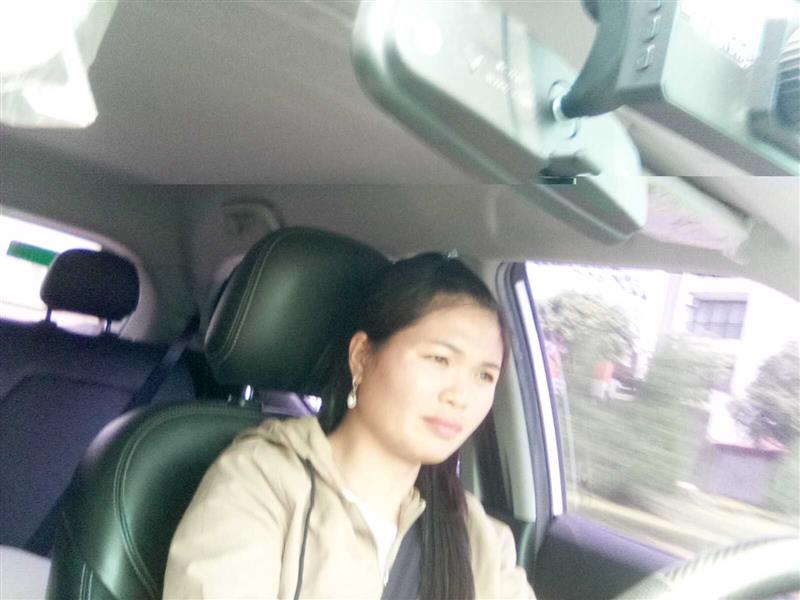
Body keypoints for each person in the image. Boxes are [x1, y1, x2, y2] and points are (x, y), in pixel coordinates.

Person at [163, 253, 536, 599]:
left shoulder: (478, 537)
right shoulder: (262, 482)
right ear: (361, 357)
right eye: (439, 359)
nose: (461, 396)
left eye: (485, 376)